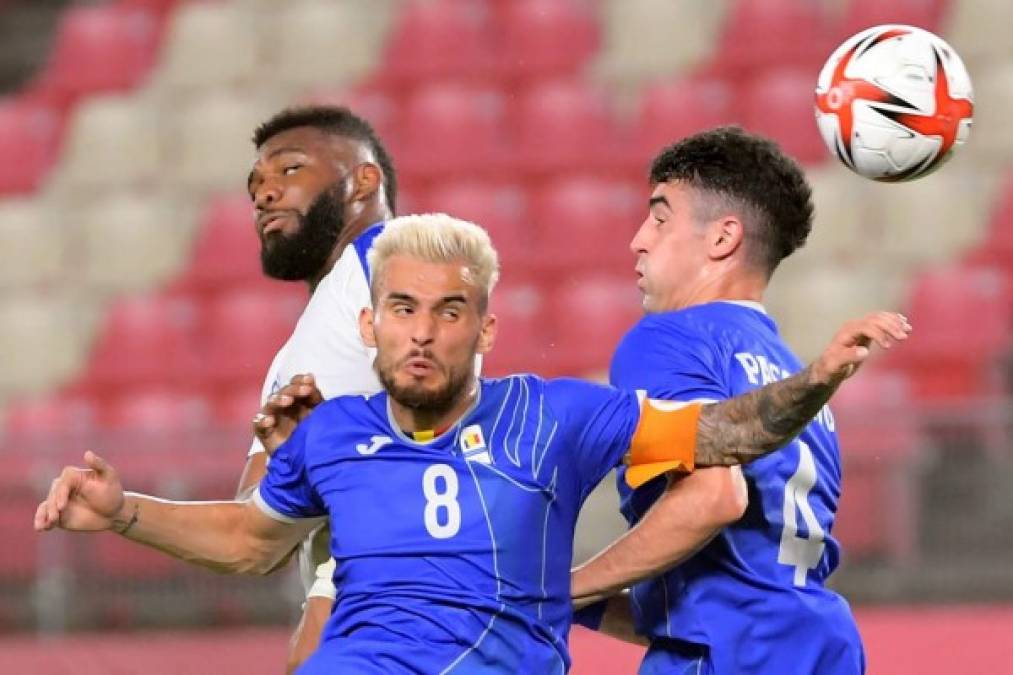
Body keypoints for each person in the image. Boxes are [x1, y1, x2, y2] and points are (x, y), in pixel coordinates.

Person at [35, 214, 908, 674]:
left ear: (486, 327)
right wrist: (124, 513)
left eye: (449, 312)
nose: (423, 334)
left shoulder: (554, 417)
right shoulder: (332, 433)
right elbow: (250, 539)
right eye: (403, 310)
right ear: (371, 324)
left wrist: (816, 379)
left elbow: (721, 434)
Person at [572, 127, 884, 674]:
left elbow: (714, 498)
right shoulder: (796, 381)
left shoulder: (669, 339)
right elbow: (725, 588)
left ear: (722, 239)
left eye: (660, 218)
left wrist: (561, 592)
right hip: (821, 649)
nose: (638, 239)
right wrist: (581, 599)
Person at [240, 104, 396, 671]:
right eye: (255, 183)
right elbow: (258, 526)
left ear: (363, 179)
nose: (263, 193)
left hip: (386, 610)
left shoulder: (392, 260)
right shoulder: (308, 333)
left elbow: (254, 536)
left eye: (289, 170)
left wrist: (332, 604)